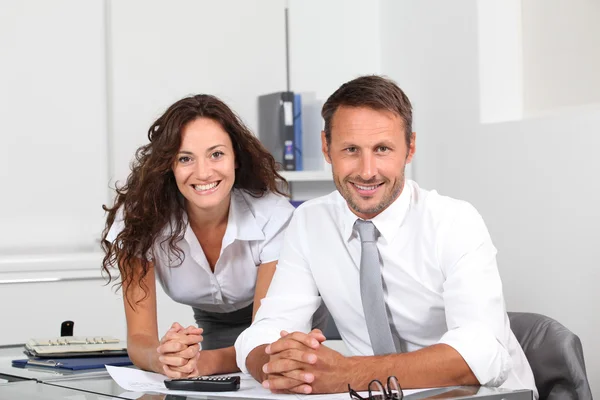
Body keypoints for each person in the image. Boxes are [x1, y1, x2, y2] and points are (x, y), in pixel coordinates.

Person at [234, 75, 538, 398]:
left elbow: (481, 354)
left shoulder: (455, 222)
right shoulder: (309, 223)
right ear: (326, 147)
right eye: (351, 149)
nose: (367, 171)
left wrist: (349, 373)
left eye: (382, 149)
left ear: (410, 148)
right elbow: (265, 331)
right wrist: (279, 365)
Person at [101, 94, 297, 378]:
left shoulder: (273, 216)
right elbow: (139, 339)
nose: (203, 173)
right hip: (216, 340)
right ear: (168, 165)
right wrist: (164, 358)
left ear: (235, 158)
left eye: (216, 154)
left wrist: (200, 363)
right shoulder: (138, 220)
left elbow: (263, 340)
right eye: (185, 158)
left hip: (284, 334)